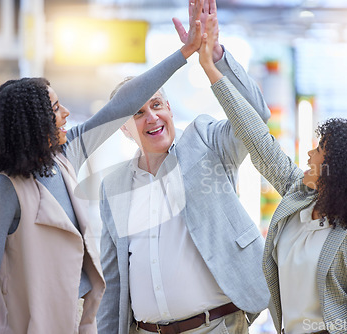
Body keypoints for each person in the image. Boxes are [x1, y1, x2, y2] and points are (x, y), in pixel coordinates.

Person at [0, 3, 204, 331]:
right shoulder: (3, 188)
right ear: (31, 123)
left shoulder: (65, 157)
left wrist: (184, 53)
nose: (65, 112)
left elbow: (120, 105)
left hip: (81, 322)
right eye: (55, 106)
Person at [199, 12, 347, 334]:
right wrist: (212, 68)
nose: (309, 153)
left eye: (320, 150)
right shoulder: (299, 196)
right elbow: (257, 138)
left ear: (341, 171)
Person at [96, 1, 271, 333]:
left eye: (157, 104)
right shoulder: (114, 187)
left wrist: (215, 55)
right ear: (123, 127)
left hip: (216, 326)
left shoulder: (205, 141)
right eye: (137, 112)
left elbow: (255, 117)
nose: (151, 117)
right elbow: (114, 281)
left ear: (170, 108)